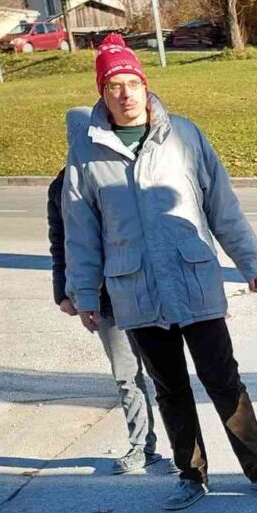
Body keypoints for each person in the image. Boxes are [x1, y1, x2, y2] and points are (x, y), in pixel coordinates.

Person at [63, 33, 257, 513]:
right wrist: (84, 292)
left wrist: (249, 261)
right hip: (137, 291)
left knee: (223, 380)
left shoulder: (184, 135)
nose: (125, 94)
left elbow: (220, 204)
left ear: (145, 85)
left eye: (132, 83)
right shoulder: (86, 152)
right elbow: (81, 231)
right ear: (102, 93)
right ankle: (191, 474)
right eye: (114, 86)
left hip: (193, 281)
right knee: (170, 389)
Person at [47, 166, 164, 474]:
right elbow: (60, 244)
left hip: (143, 289)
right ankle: (142, 446)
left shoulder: (122, 173)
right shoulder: (61, 186)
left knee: (166, 373)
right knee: (126, 375)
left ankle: (187, 450)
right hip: (103, 299)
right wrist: (64, 292)